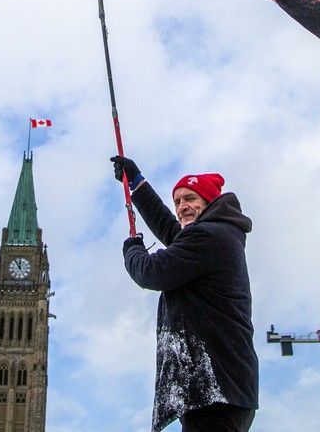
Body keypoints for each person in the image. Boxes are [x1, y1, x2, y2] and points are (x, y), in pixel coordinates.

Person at [111, 155, 258, 432]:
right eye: (177, 201)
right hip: (218, 391)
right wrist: (137, 183)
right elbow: (171, 229)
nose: (181, 207)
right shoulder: (216, 233)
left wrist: (132, 248)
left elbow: (152, 272)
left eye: (190, 199)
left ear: (209, 202)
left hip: (216, 390)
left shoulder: (209, 237)